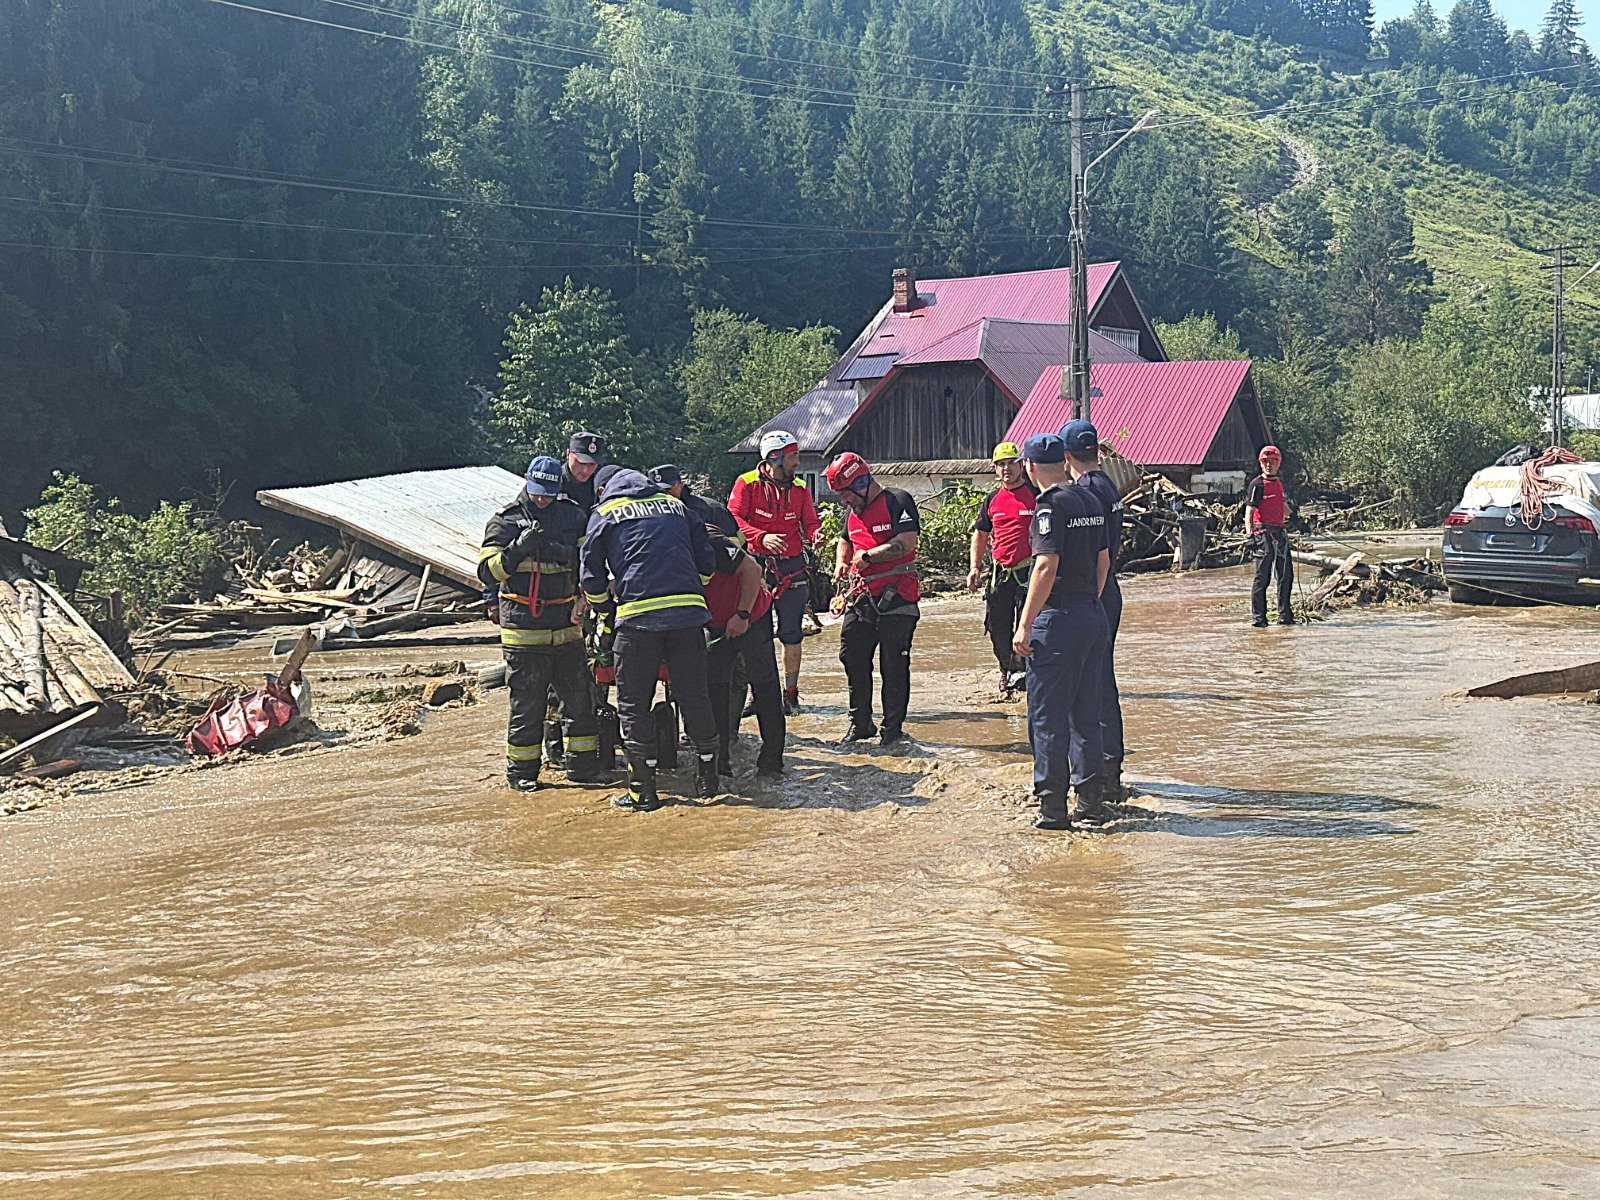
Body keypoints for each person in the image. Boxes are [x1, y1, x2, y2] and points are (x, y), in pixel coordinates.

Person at [580, 467, 720, 811]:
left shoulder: (604, 514)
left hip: (638, 621)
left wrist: (606, 612)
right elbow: (707, 565)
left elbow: (591, 577)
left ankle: (643, 792)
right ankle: (708, 781)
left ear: (603, 491)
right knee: (695, 696)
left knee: (633, 704)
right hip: (689, 617)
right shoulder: (677, 507)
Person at [477, 455, 608, 791]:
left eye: (548, 493)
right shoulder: (504, 522)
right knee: (528, 705)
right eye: (537, 493)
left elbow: (588, 561)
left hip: (567, 627)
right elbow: (486, 572)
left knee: (580, 701)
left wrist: (559, 552)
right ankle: (521, 774)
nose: (541, 499)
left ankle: (583, 768)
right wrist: (516, 551)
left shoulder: (572, 517)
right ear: (526, 481)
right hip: (524, 629)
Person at [1012, 432, 1111, 831]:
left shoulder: (1049, 507)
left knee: (1047, 717)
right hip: (1091, 613)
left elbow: (1045, 567)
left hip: (1058, 620)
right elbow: (1104, 561)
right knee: (1087, 713)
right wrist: (1089, 600)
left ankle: (1052, 809)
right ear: (1064, 460)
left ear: (1031, 466)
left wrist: (1025, 624)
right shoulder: (1090, 498)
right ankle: (1090, 805)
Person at [826, 451, 920, 747]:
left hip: (898, 595)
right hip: (861, 595)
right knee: (851, 654)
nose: (844, 501)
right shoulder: (853, 511)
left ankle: (892, 730)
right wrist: (842, 561)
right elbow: (845, 539)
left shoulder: (897, 501)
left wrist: (868, 556)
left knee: (893, 664)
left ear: (864, 482)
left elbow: (906, 544)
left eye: (846, 494)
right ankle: (860, 723)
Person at [729, 430, 821, 715]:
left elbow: (810, 521)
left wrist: (817, 534)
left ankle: (790, 695)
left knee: (791, 633)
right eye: (792, 456)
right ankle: (760, 695)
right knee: (757, 633)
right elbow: (732, 519)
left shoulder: (801, 489)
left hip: (792, 568)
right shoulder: (746, 484)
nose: (797, 462)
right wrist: (761, 537)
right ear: (774, 458)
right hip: (755, 566)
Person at [1060, 419, 1128, 804]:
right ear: (1098, 451)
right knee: (1101, 681)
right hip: (1109, 588)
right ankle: (1107, 769)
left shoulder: (1085, 491)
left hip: (1093, 592)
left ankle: (1103, 773)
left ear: (1067, 457)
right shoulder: (1107, 485)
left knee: (1094, 685)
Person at [698, 504, 787, 779]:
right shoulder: (663, 546)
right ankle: (721, 764)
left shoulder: (708, 539)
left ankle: (772, 763)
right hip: (716, 623)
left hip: (751, 614)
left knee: (764, 686)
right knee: (715, 691)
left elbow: (752, 569)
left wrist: (742, 615)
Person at [967, 441, 1039, 695]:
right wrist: (975, 567)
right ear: (995, 469)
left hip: (1029, 573)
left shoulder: (1036, 493)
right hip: (1000, 574)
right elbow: (981, 533)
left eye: (1011, 463)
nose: (1006, 468)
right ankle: (1005, 668)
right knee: (998, 628)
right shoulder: (992, 500)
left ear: (1021, 465)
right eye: (1001, 464)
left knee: (1026, 625)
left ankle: (1024, 673)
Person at [1245, 445, 1294, 628]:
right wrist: (1250, 536)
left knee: (1286, 576)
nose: (1269, 466)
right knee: (1262, 578)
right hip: (1263, 534)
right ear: (1261, 464)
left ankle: (1285, 617)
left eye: (1272, 462)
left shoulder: (1278, 483)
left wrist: (1296, 518)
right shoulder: (1257, 485)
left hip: (1279, 533)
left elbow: (1281, 505)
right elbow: (1249, 513)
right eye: (1265, 462)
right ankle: (1259, 620)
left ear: (1278, 464)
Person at [561, 430, 606, 515]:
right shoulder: (554, 482)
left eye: (592, 464)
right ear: (568, 454)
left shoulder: (598, 486)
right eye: (581, 462)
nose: (585, 470)